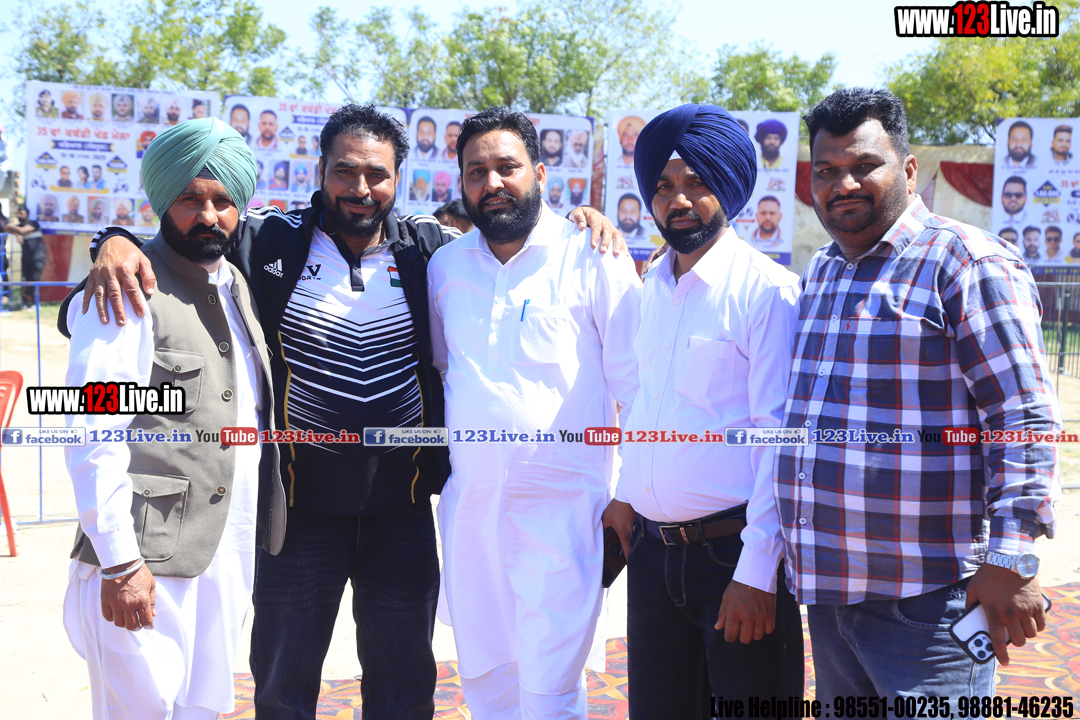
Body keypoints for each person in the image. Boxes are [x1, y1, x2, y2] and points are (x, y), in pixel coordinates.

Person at [67, 100, 627, 720]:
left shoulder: (430, 252)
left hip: (402, 517)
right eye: (344, 172)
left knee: (404, 692)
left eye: (377, 174)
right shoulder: (267, 241)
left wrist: (583, 223)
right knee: (281, 692)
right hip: (297, 518)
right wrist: (112, 242)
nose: (360, 189)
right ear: (321, 172)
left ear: (398, 180)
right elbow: (183, 240)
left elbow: (512, 238)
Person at [777, 87, 1060, 700]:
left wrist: (1011, 557)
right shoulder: (824, 271)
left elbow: (1023, 418)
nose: (843, 185)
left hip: (931, 608)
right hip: (831, 599)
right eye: (826, 171)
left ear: (908, 170)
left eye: (864, 165)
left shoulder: (966, 262)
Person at [61, 117, 285, 720]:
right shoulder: (124, 289)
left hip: (225, 554)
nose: (208, 215)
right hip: (144, 559)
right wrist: (120, 561)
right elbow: (91, 432)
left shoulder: (235, 285)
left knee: (201, 709)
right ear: (162, 200)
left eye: (223, 201)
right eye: (190, 198)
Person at [428, 106, 640, 720]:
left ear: (540, 174)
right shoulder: (446, 268)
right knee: (488, 688)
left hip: (565, 522)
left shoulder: (593, 254)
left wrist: (629, 494)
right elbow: (446, 372)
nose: (492, 183)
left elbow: (637, 386)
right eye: (476, 172)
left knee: (551, 695)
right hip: (472, 520)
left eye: (507, 167)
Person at [603, 103, 803, 718]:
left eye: (697, 182)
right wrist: (626, 494)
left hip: (733, 557)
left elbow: (779, 443)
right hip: (653, 556)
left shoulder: (767, 292)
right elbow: (644, 404)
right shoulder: (650, 288)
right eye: (664, 186)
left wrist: (757, 572)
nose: (679, 200)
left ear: (730, 188)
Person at [4, 206, 46, 307]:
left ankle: (25, 296)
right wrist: (16, 233)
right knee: (27, 281)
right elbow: (6, 229)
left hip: (38, 258)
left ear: (27, 214)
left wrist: (12, 227)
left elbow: (22, 230)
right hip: (26, 258)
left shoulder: (33, 224)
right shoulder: (18, 227)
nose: (19, 215)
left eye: (21, 213)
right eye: (18, 214)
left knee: (34, 279)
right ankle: (29, 304)